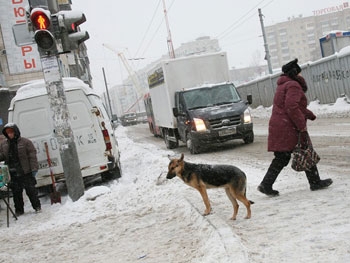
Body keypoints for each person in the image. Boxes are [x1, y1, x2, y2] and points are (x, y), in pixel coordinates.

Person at [257, 59, 333, 196]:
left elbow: (294, 106)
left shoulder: (284, 84)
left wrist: (309, 114)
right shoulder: (293, 85)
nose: (301, 75)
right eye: (300, 72)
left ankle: (266, 184)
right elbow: (291, 107)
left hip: (281, 125)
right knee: (305, 150)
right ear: (295, 73)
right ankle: (315, 182)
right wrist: (301, 126)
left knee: (282, 157)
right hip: (289, 126)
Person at [0, 123, 41, 215]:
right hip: (12, 173)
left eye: (11, 132)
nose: (10, 134)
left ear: (16, 132)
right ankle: (19, 210)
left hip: (25, 171)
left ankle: (37, 207)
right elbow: (3, 156)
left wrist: (34, 168)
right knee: (16, 193)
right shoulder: (4, 145)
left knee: (31, 191)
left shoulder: (25, 142)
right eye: (8, 133)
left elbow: (32, 156)